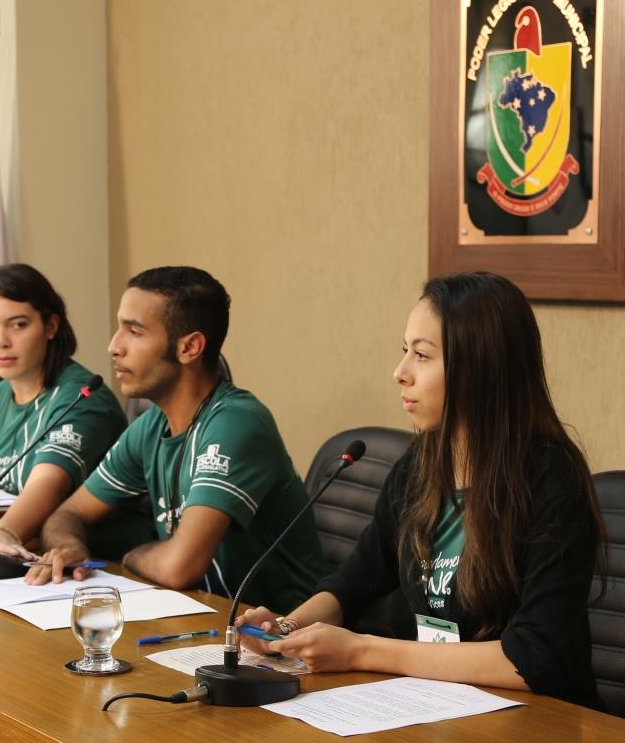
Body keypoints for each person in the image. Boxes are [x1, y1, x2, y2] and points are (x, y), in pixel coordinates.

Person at [237, 271, 606, 708]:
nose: (400, 372)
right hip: (437, 706)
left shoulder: (550, 479)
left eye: (422, 356)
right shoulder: (420, 464)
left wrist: (362, 650)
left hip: (539, 721)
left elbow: (536, 656)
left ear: (478, 369)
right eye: (404, 352)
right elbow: (355, 582)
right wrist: (285, 631)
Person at [24, 266, 325, 616]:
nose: (113, 347)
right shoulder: (151, 425)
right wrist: (69, 546)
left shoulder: (236, 423)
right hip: (194, 617)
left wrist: (130, 556)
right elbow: (67, 513)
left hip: (275, 639)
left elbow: (178, 568)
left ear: (189, 347)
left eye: (134, 331)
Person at [0, 264, 127, 557]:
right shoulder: (4, 390)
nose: (0, 341)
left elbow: (49, 481)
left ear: (51, 327)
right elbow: (29, 457)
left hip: (95, 566)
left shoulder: (81, 398)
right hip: (31, 560)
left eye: (18, 325)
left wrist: (5, 532)